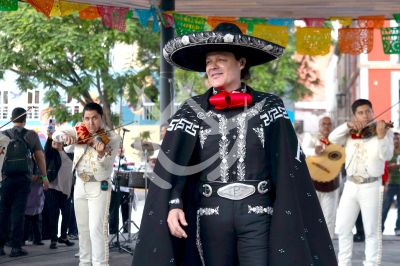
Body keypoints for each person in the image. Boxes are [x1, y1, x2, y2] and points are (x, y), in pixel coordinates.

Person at [133, 23, 337, 266]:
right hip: (210, 215)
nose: (212, 66)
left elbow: (289, 167)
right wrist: (174, 204)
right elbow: (174, 166)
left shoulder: (270, 106)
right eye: (209, 61)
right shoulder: (191, 110)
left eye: (221, 59)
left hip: (258, 214)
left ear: (241, 62)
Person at [52, 102, 120, 266]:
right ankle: (84, 262)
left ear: (101, 117)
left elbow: (107, 165)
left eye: (94, 118)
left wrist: (101, 152)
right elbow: (58, 136)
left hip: (99, 185)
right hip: (80, 184)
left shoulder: (112, 137)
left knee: (97, 229)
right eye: (87, 118)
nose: (90, 123)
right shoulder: (79, 130)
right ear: (83, 118)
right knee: (83, 229)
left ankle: (100, 263)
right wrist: (63, 139)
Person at [329, 99, 393, 266]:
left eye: (368, 111)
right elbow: (332, 138)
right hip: (350, 185)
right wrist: (348, 125)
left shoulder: (385, 131)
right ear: (355, 115)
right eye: (361, 112)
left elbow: (386, 156)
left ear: (373, 112)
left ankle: (371, 263)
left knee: (372, 231)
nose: (365, 115)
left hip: (371, 185)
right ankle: (344, 263)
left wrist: (381, 137)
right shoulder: (350, 133)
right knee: (343, 228)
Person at [0, 107, 48, 257]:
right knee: (18, 212)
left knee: (3, 212)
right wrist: (44, 177)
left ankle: (0, 247)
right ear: (25, 119)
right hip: (23, 179)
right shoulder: (31, 135)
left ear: (12, 118)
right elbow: (40, 156)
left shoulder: (2, 135)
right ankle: (16, 248)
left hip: (5, 179)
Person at [302, 116, 341, 239]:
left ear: (332, 126)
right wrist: (315, 150)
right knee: (311, 214)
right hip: (313, 182)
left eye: (329, 124)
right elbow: (303, 149)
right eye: (324, 124)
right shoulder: (311, 136)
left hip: (331, 183)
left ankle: (328, 243)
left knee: (329, 216)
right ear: (319, 125)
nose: (326, 126)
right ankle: (312, 242)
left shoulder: (337, 138)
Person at [44, 131, 75, 249]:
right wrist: (49, 137)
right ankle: (53, 239)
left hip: (67, 188)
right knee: (54, 214)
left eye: (58, 139)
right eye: (54, 140)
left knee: (67, 213)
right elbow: (46, 151)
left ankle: (63, 237)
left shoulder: (69, 153)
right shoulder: (52, 153)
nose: (56, 142)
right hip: (53, 187)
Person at [382, 132, 400, 235]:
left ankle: (398, 228)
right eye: (394, 139)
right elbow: (384, 167)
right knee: (385, 207)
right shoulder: (389, 152)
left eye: (398, 138)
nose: (396, 141)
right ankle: (380, 228)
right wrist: (392, 166)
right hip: (390, 183)